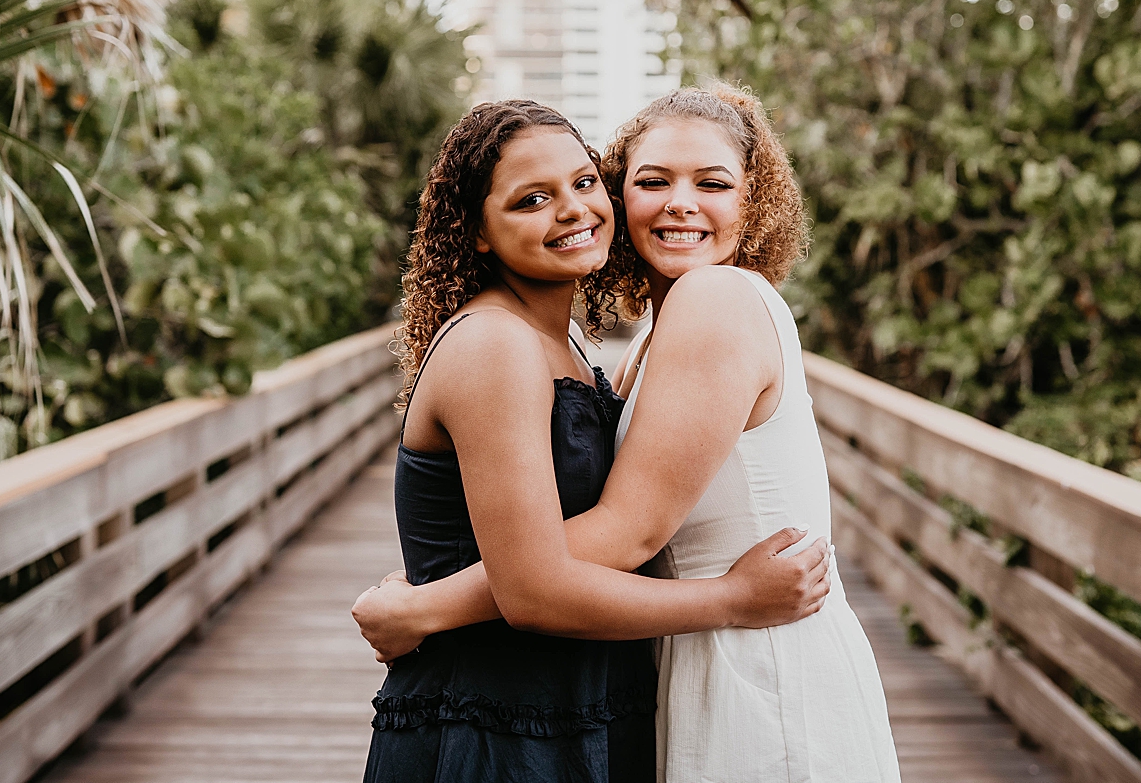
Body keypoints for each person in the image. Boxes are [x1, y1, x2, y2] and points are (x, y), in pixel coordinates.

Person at [356, 86, 902, 783]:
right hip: (626, 670)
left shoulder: (711, 299)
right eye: (653, 181)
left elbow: (624, 532)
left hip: (753, 667)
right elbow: (564, 554)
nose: (681, 203)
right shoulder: (625, 340)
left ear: (754, 202)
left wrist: (426, 605)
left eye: (712, 184)